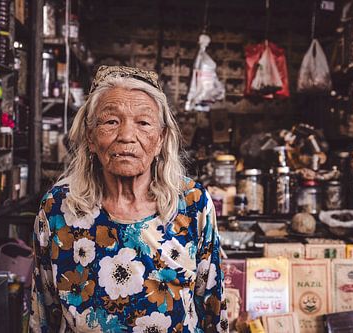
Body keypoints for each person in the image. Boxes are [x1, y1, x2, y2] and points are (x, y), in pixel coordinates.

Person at [30, 66, 227, 333]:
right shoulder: (59, 208)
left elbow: (213, 308)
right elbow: (42, 311)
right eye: (111, 121)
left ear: (160, 140)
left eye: (143, 123)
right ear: (90, 136)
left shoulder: (192, 204)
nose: (126, 136)